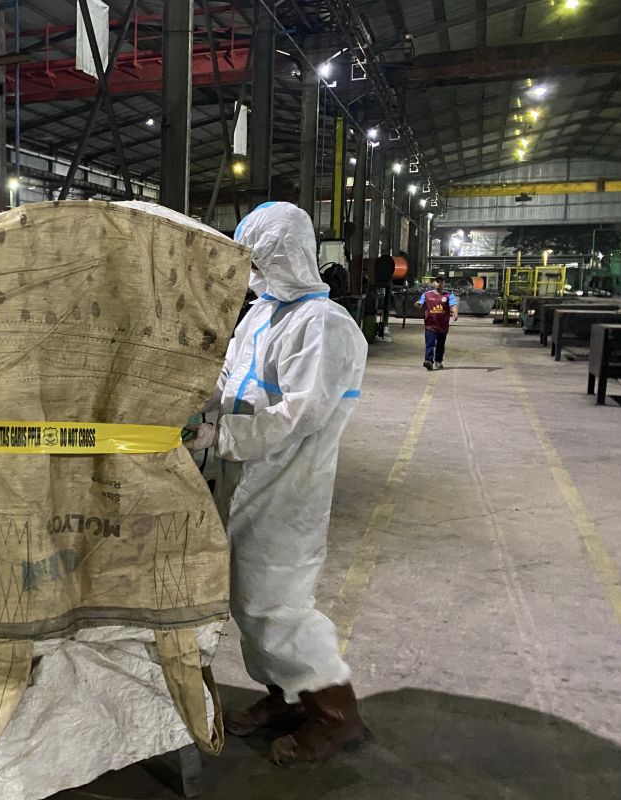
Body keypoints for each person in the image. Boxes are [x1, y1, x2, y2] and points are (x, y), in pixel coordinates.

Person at [183, 202, 369, 765]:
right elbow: (227, 377)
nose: (254, 276)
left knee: (278, 605)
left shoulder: (325, 326)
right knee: (247, 600)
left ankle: (336, 716)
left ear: (287, 257)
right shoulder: (261, 314)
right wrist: (189, 400)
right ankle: (286, 696)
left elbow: (299, 415)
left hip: (289, 487)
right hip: (242, 478)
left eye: (261, 263)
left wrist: (222, 434)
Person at [415, 274, 458, 370]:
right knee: (430, 343)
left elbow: (453, 305)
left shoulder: (448, 295)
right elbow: (420, 302)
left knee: (440, 344)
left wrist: (455, 313)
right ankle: (428, 361)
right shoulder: (427, 294)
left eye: (441, 282)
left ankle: (438, 361)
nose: (439, 283)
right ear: (433, 283)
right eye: (437, 281)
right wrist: (418, 304)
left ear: (444, 284)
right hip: (430, 325)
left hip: (443, 325)